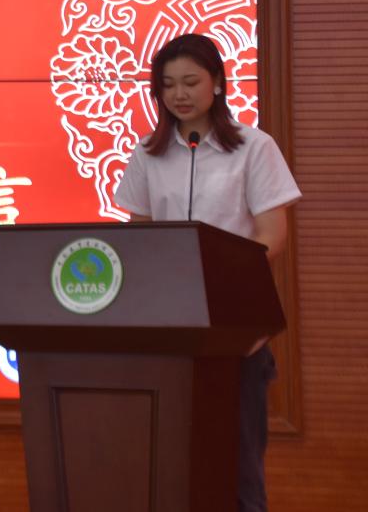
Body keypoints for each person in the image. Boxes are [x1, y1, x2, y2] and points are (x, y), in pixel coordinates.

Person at [114, 33, 300, 512]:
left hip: (235, 327)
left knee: (239, 470)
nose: (179, 94)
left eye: (191, 82)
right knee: (171, 465)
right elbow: (139, 235)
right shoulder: (148, 153)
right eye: (168, 84)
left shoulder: (254, 147)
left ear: (217, 82)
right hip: (168, 326)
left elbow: (272, 235)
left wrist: (219, 278)